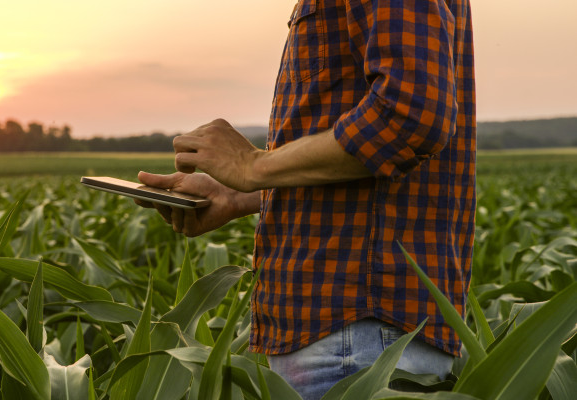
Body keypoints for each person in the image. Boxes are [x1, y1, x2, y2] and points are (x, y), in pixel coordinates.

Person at [135, 0, 475, 398]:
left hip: (358, 340)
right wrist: (239, 195)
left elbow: (409, 114)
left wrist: (252, 166)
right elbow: (371, 173)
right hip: (349, 337)